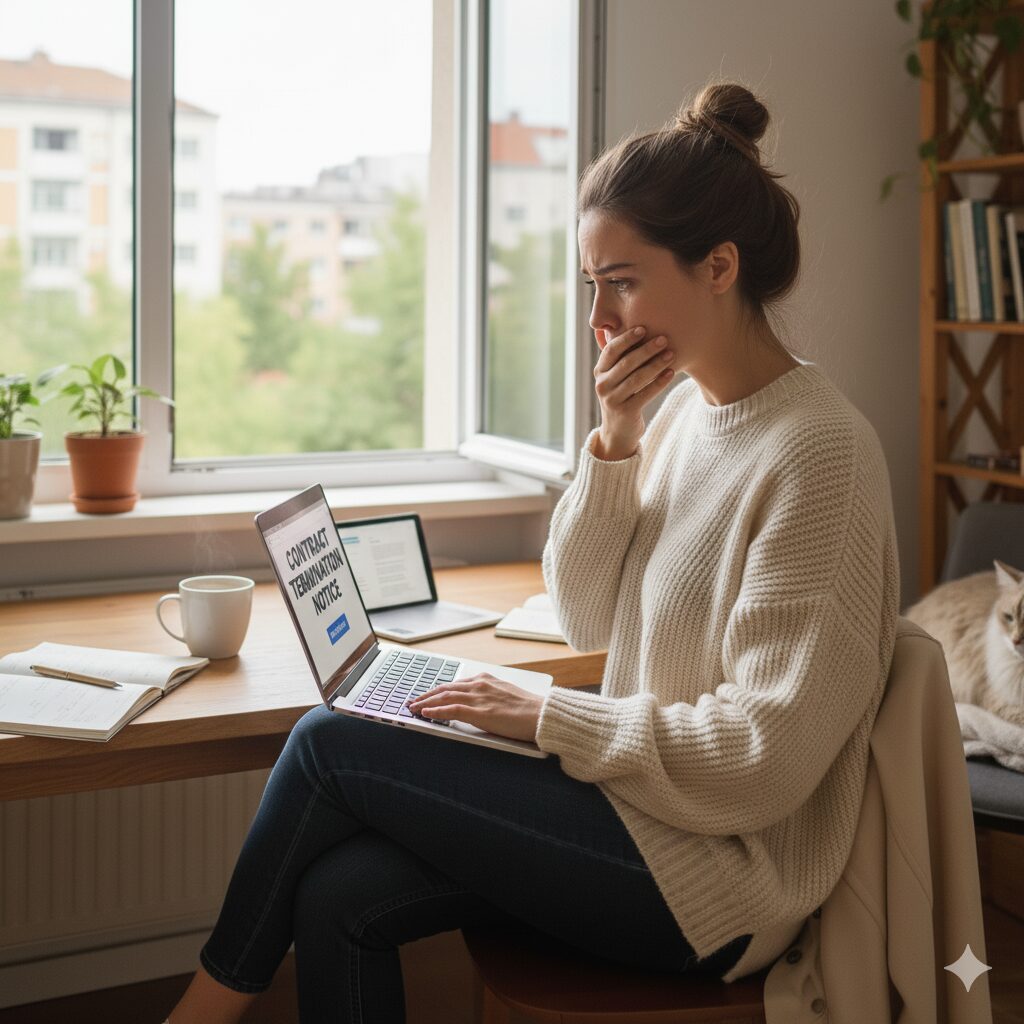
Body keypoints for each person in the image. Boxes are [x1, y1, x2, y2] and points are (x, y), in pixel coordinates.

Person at [166, 79, 900, 1024]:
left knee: (328, 743)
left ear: (719, 265)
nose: (599, 318)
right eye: (591, 284)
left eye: (623, 281)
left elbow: (765, 758)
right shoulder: (678, 419)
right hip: (640, 814)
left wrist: (550, 719)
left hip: (720, 884)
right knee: (338, 895)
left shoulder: (821, 452)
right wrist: (616, 438)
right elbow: (587, 614)